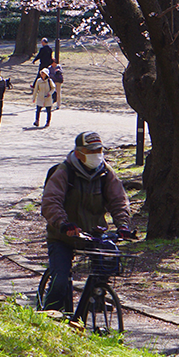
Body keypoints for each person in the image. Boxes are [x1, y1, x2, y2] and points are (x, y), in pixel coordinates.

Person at [40, 131, 137, 312]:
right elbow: (51, 201)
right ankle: (47, 316)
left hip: (92, 235)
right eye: (91, 151)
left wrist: (123, 225)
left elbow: (118, 200)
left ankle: (96, 299)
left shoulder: (105, 173)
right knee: (60, 281)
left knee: (109, 262)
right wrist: (63, 223)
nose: (97, 155)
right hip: (63, 236)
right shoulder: (63, 172)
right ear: (78, 153)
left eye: (99, 150)